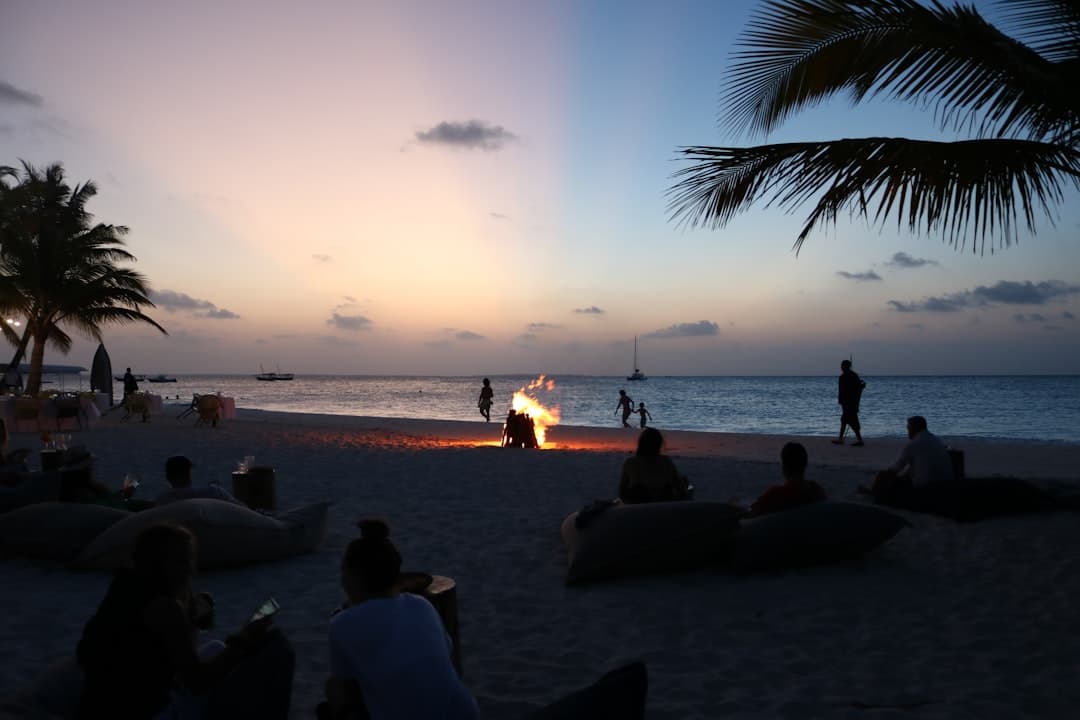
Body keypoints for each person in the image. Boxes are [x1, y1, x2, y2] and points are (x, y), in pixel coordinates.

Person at [76, 523, 295, 720]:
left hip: (108, 701)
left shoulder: (125, 589)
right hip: (147, 710)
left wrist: (192, 620)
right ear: (157, 563)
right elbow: (197, 681)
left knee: (217, 648)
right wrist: (244, 639)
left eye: (190, 559)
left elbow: (168, 655)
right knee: (277, 647)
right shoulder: (164, 608)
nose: (190, 569)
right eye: (181, 561)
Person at [323, 518, 479, 720]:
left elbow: (345, 682)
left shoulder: (341, 624)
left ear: (354, 578)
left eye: (343, 573)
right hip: (464, 713)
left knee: (334, 690)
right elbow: (446, 653)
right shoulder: (422, 605)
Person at [866, 415, 954, 498]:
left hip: (924, 486)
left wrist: (881, 477)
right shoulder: (936, 440)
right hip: (944, 484)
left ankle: (873, 493)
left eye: (908, 428)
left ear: (915, 428)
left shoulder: (914, 444)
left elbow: (895, 469)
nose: (908, 432)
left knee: (882, 476)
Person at [748, 442, 826, 516]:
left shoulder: (775, 495)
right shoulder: (816, 491)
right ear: (805, 465)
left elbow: (751, 513)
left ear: (784, 467)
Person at [618, 428, 691, 504]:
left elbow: (622, 493)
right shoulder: (666, 462)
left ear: (641, 443)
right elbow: (680, 489)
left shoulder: (630, 462)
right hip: (662, 506)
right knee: (684, 482)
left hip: (638, 506)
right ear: (659, 444)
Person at [155, 455, 244, 505]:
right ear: (188, 474)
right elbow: (241, 507)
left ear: (168, 477)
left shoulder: (163, 500)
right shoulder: (213, 492)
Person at [832, 359, 866, 446]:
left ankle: (858, 440)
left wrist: (861, 386)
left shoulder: (848, 376)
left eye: (842, 366)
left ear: (846, 366)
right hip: (847, 403)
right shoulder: (850, 376)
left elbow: (856, 389)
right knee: (847, 420)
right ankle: (842, 439)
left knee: (850, 420)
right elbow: (859, 387)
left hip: (849, 403)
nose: (841, 367)